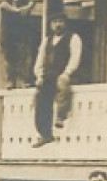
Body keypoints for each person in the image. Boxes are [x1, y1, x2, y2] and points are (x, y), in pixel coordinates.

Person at [32, 13, 81, 147]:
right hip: (49, 75)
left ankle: (60, 116)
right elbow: (40, 60)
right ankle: (45, 134)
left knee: (62, 84)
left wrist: (67, 72)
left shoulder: (73, 38)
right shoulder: (47, 40)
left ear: (65, 23)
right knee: (40, 98)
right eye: (54, 22)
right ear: (50, 25)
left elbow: (75, 58)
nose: (57, 25)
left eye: (60, 22)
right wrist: (39, 75)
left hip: (66, 74)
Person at [0, 0, 37, 88]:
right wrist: (14, 10)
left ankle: (24, 78)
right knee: (8, 49)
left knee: (24, 47)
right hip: (9, 20)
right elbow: (2, 2)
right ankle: (10, 79)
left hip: (23, 19)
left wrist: (26, 8)